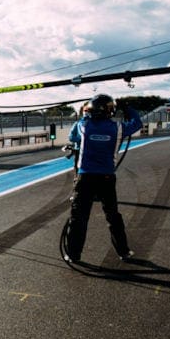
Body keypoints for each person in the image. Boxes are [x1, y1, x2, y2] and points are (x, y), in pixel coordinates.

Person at [62, 94, 143, 263]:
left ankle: (73, 254)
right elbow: (137, 123)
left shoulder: (83, 124)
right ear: (109, 111)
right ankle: (123, 251)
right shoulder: (118, 128)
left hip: (85, 177)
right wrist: (127, 108)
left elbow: (72, 137)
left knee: (78, 217)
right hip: (106, 178)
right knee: (113, 215)